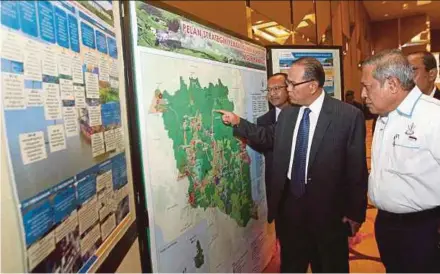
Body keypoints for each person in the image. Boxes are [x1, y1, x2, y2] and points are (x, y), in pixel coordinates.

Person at [216, 57, 368, 273]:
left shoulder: (347, 116)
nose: (287, 89)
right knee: (291, 265)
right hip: (290, 210)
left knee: (329, 266)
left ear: (312, 86)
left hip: (329, 213)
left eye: (291, 84)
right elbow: (267, 136)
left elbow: (357, 170)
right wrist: (238, 122)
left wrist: (355, 213)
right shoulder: (288, 114)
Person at [361, 49, 440, 273]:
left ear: (393, 85)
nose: (363, 94)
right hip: (386, 224)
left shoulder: (433, 117)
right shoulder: (383, 116)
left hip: (423, 229)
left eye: (368, 86)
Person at [251, 73, 289, 203]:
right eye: (269, 90)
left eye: (277, 88)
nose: (272, 94)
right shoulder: (263, 120)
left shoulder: (303, 114)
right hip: (276, 188)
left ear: (289, 88)